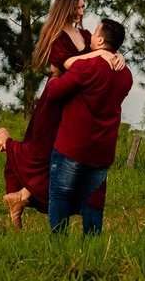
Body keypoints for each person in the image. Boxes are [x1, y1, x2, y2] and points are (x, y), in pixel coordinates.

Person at [0, 0, 123, 227]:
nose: (80, 11)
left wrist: (116, 55)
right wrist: (100, 56)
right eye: (76, 7)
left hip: (75, 101)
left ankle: (20, 198)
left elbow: (101, 50)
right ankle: (4, 141)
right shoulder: (53, 32)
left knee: (61, 162)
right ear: (65, 6)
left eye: (83, 6)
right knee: (43, 155)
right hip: (56, 98)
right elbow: (66, 62)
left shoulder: (85, 34)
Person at [45, 17, 132, 237]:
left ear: (100, 40)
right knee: (93, 201)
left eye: (94, 32)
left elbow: (54, 93)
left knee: (60, 195)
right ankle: (93, 246)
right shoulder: (126, 74)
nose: (90, 36)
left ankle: (59, 245)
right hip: (102, 150)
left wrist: (54, 75)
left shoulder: (87, 66)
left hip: (72, 146)